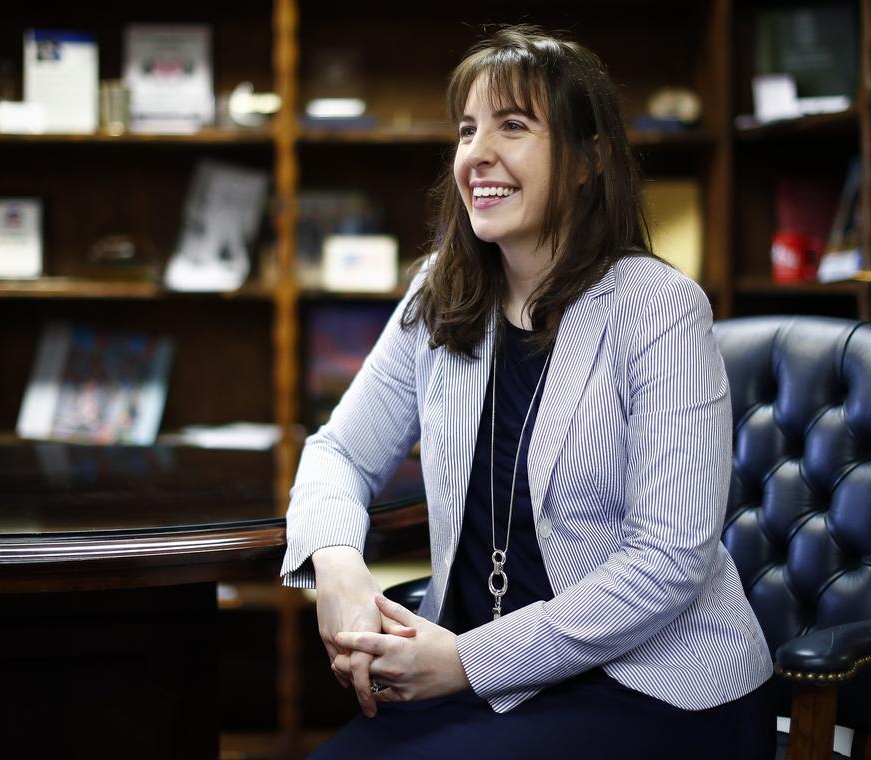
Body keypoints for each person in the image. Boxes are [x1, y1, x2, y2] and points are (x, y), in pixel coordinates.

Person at [280, 24, 775, 758]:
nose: (477, 154)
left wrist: (467, 662)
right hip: (481, 681)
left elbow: (669, 560)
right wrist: (340, 567)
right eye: (468, 129)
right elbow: (337, 454)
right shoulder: (439, 294)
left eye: (513, 126)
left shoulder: (659, 308)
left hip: (649, 684)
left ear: (587, 159)